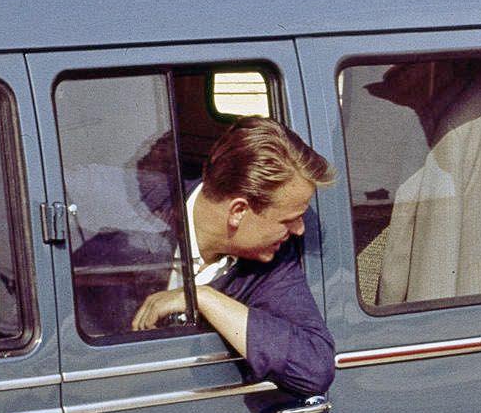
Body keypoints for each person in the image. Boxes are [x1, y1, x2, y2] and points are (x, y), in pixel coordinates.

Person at [129, 115, 336, 398]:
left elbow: (314, 369)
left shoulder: (270, 263)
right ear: (238, 211)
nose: (300, 230)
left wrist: (203, 297)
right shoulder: (135, 225)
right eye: (289, 219)